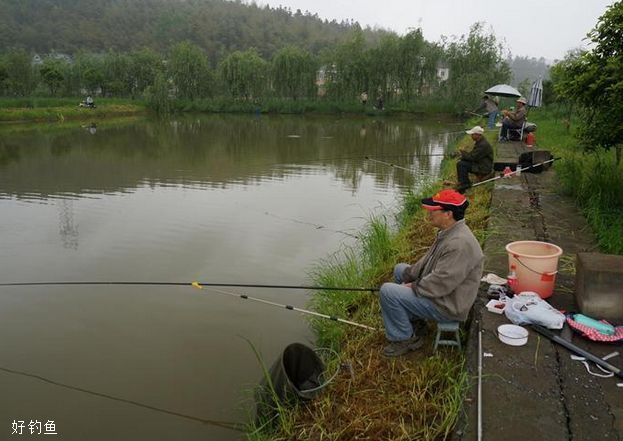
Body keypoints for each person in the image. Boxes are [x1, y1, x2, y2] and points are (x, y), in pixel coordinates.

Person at [379, 189, 484, 357]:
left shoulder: (459, 244)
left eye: (433, 210)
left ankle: (404, 338)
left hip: (449, 304)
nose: (429, 213)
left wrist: (414, 287)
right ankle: (415, 321)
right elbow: (427, 260)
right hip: (442, 292)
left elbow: (441, 283)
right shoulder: (450, 231)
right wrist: (409, 274)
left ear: (448, 214)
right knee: (400, 269)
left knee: (387, 291)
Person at [455, 125, 493, 192]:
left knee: (461, 164)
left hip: (484, 167)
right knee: (462, 162)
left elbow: (472, 157)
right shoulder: (480, 142)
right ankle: (463, 182)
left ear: (477, 135)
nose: (471, 136)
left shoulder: (482, 145)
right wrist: (463, 155)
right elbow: (473, 155)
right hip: (481, 164)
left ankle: (465, 184)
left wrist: (462, 153)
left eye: (472, 134)